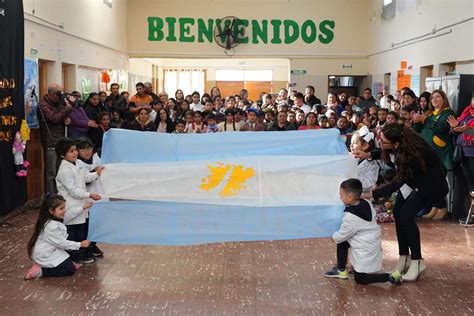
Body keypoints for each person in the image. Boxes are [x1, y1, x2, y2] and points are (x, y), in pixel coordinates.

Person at [360, 123, 448, 281]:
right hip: (413, 181)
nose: (381, 143)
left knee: (406, 216)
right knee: (397, 212)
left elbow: (397, 183)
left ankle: (417, 261)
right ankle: (404, 258)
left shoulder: (413, 153)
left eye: (384, 141)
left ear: (396, 144)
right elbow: (385, 153)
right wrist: (368, 155)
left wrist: (372, 194)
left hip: (430, 184)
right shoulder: (400, 144)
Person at [324, 179, 401, 285]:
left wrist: (334, 237)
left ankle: (389, 277)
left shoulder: (351, 216)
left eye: (341, 195)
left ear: (350, 197)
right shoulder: (366, 203)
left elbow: (343, 234)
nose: (340, 198)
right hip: (369, 242)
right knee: (343, 240)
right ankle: (341, 270)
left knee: (360, 279)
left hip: (364, 248)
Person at [55, 138, 103, 263]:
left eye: (75, 150)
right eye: (71, 151)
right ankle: (76, 255)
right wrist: (89, 194)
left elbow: (86, 176)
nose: (75, 153)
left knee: (82, 229)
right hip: (71, 204)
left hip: (81, 204)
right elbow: (73, 190)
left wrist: (97, 173)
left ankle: (85, 251)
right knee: (74, 232)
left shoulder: (75, 164)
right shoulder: (64, 170)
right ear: (62, 154)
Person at [24, 195, 90, 280]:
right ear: (51, 211)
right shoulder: (51, 226)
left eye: (64, 208)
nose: (64, 210)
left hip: (53, 248)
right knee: (70, 270)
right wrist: (80, 244)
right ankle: (41, 271)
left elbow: (70, 215)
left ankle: (65, 262)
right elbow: (62, 244)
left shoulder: (56, 217)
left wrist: (83, 207)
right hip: (45, 254)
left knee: (71, 236)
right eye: (61, 208)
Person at [412, 89, 455, 220]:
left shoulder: (448, 113)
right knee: (430, 182)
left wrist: (425, 119)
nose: (434, 100)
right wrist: (417, 121)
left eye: (437, 97)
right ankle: (435, 207)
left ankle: (442, 208)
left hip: (441, 154)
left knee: (438, 183)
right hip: (428, 154)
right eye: (432, 98)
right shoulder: (430, 114)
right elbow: (418, 131)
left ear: (444, 99)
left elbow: (442, 128)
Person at [38, 83, 74, 194]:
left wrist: (67, 118)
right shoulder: (43, 105)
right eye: (59, 94)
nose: (61, 96)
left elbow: (62, 116)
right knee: (51, 173)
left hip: (61, 141)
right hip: (50, 141)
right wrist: (67, 109)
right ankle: (51, 197)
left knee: (60, 171)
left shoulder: (59, 102)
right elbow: (54, 118)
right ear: (52, 94)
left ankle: (60, 194)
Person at [350, 127, 379, 193]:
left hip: (362, 195)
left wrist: (351, 177)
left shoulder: (373, 164)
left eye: (355, 142)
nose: (351, 145)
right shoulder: (348, 158)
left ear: (365, 146)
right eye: (351, 142)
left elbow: (369, 184)